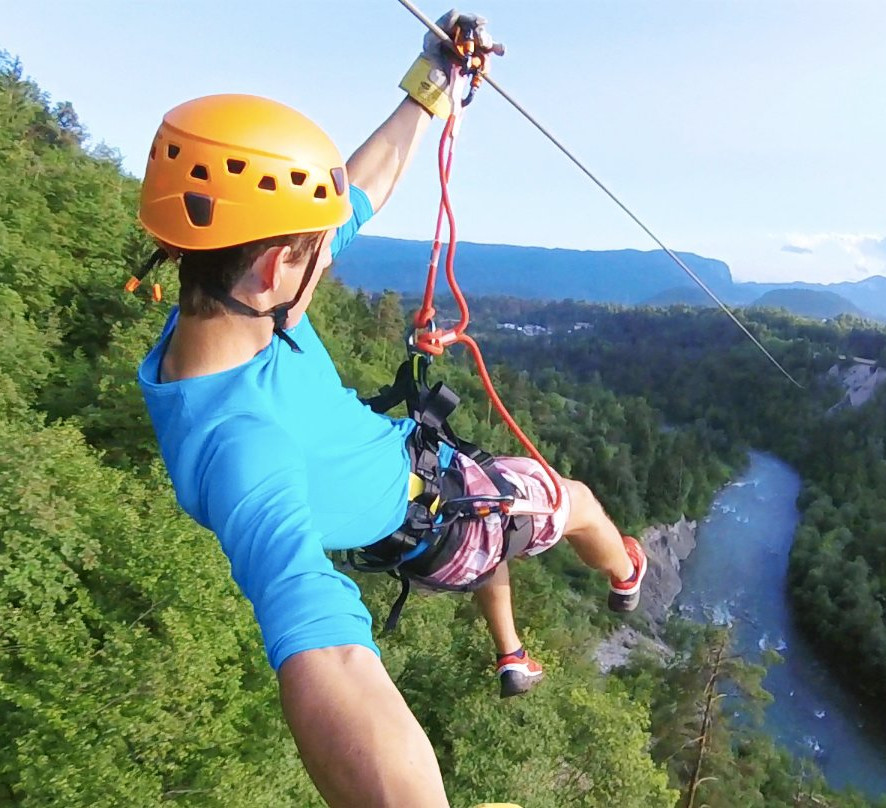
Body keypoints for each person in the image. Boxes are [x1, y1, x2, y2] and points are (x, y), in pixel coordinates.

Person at [134, 12, 647, 807]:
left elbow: (359, 187)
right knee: (570, 500)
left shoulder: (220, 312)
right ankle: (626, 569)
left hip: (425, 485)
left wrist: (434, 78)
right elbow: (327, 658)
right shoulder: (241, 450)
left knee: (494, 510)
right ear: (275, 266)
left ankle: (514, 642)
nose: (329, 257)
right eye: (317, 250)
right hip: (441, 525)